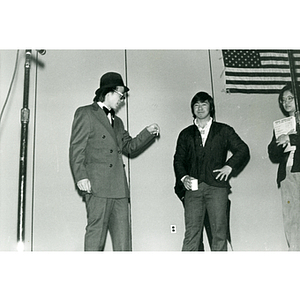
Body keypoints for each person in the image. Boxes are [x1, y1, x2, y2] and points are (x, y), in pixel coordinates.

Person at [69, 72, 160, 251]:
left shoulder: (118, 122)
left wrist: (147, 132)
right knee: (96, 236)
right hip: (97, 186)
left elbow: (130, 147)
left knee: (123, 241)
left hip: (119, 188)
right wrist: (81, 177)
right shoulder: (86, 113)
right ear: (108, 92)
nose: (122, 99)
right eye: (121, 94)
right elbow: (76, 148)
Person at [173, 91, 250, 251]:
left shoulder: (223, 130)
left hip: (217, 188)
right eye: (196, 105)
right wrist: (183, 177)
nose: (200, 108)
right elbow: (178, 160)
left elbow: (243, 150)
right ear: (192, 109)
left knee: (219, 233)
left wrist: (229, 166)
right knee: (191, 233)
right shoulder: (185, 133)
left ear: (211, 107)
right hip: (193, 189)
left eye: (204, 104)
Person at [268, 83, 300, 251]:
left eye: (290, 98)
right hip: (287, 174)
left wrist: (291, 139)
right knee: (291, 218)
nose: (286, 103)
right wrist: (280, 142)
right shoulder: (281, 125)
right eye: (283, 100)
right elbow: (272, 154)